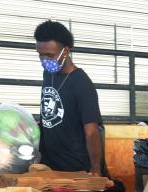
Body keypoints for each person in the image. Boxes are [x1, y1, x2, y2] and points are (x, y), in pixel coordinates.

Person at [33, 20, 105, 175]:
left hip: (74, 169)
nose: (44, 60)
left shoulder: (82, 84)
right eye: (40, 54)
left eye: (49, 55)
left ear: (65, 51)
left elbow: (92, 131)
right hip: (49, 165)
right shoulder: (48, 74)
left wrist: (96, 168)